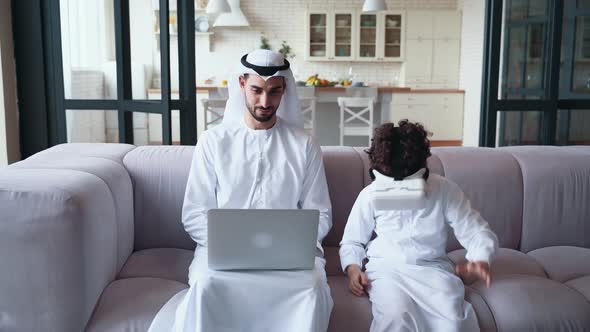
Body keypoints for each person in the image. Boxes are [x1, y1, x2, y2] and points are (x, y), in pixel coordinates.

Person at [147, 49, 333, 332]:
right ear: (242, 84)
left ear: (284, 90)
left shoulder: (304, 145)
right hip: (223, 258)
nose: (265, 101)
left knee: (312, 289)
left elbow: (320, 212)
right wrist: (228, 245)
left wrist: (290, 245)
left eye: (274, 92)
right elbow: (194, 212)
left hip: (289, 261)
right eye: (257, 90)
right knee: (207, 285)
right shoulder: (213, 142)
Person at [339, 120, 499, 332]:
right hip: (386, 271)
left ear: (423, 170)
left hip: (433, 270)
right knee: (396, 318)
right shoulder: (371, 194)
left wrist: (480, 259)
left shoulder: (444, 190)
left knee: (453, 323)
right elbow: (352, 240)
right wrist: (352, 269)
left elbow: (477, 231)